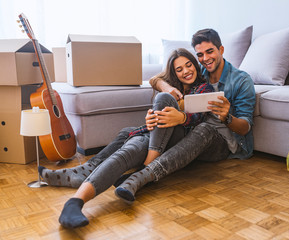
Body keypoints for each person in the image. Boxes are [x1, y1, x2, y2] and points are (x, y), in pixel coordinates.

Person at [39, 48, 214, 228]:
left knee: (146, 118)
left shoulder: (204, 88)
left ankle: (134, 166)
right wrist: (152, 117)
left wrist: (182, 117)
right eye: (179, 69)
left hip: (179, 139)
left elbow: (199, 117)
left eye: (189, 65)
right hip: (156, 137)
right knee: (128, 144)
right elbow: (156, 81)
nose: (186, 71)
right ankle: (75, 202)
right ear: (174, 73)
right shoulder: (170, 88)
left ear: (195, 65)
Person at [114, 28, 256, 204]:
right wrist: (168, 90)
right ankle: (95, 169)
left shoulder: (242, 81)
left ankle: (142, 176)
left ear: (221, 50)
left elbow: (245, 128)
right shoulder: (197, 72)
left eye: (210, 52)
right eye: (200, 55)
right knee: (131, 131)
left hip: (224, 143)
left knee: (205, 128)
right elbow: (156, 79)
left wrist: (227, 117)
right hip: (192, 133)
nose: (205, 59)